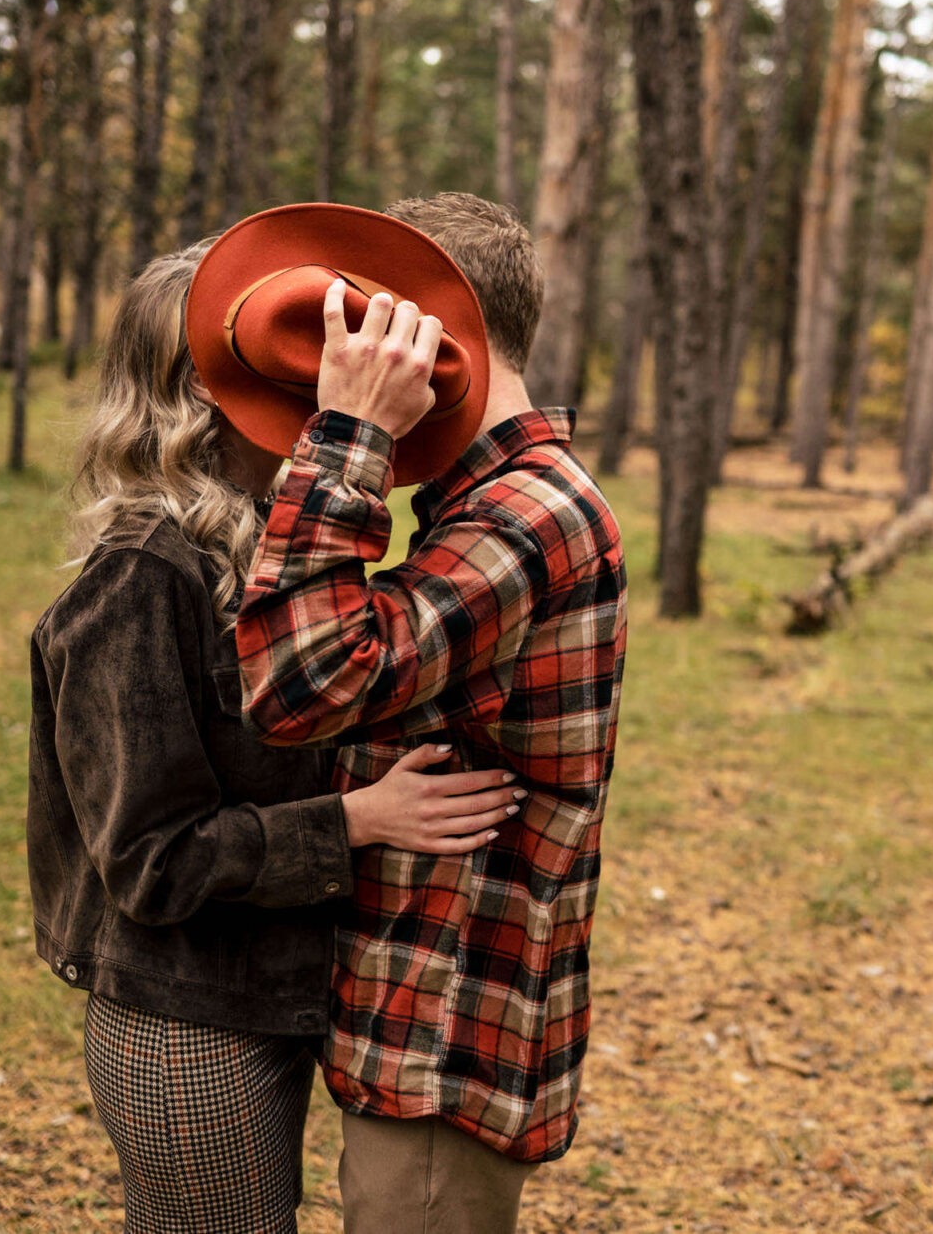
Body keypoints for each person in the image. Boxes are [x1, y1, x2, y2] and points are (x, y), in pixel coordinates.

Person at [25, 240, 525, 1233]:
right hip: (184, 1022)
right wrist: (357, 820)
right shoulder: (139, 580)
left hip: (265, 1000)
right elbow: (151, 861)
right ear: (201, 398)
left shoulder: (262, 554)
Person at [212, 194, 628, 1233]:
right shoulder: (483, 500)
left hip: (450, 1033)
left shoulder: (529, 513)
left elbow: (300, 683)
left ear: (431, 336)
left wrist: (350, 432)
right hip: (421, 1007)